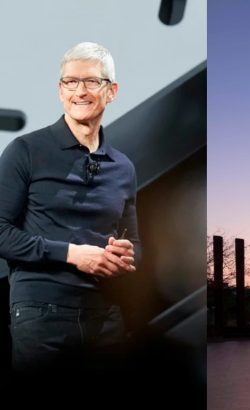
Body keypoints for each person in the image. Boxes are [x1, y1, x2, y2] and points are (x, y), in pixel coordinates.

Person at [0, 42, 139, 375]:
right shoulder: (25, 150)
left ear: (112, 91)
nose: (80, 91)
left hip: (106, 316)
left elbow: (137, 245)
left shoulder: (124, 168)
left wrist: (126, 255)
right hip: (40, 313)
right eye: (70, 82)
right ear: (60, 91)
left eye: (91, 81)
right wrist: (71, 254)